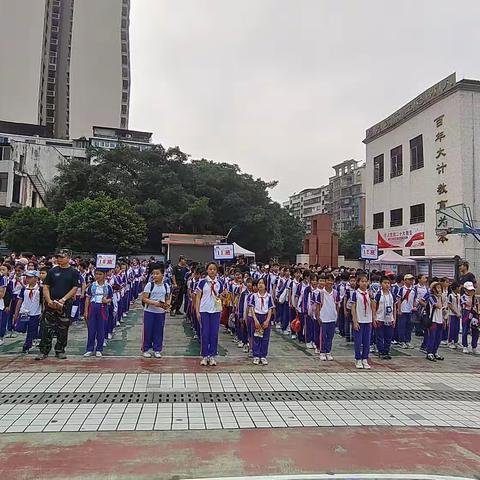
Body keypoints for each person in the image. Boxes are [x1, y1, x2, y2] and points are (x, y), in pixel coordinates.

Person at [36, 249, 81, 360]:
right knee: (47, 327)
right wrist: (49, 300)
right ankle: (44, 350)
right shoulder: (52, 271)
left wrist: (63, 299)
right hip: (51, 302)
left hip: (65, 303)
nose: (59, 259)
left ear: (68, 258)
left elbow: (75, 287)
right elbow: (46, 286)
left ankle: (60, 350)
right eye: (58, 257)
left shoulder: (73, 272)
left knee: (63, 328)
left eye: (62, 257)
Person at [196, 262, 224, 366]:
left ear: (217, 271)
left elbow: (221, 296)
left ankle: (212, 355)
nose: (212, 271)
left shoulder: (219, 283)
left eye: (214, 269)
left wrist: (222, 296)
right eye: (210, 269)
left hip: (215, 310)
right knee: (205, 333)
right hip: (204, 310)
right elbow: (198, 297)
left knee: (214, 333)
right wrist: (197, 310)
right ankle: (204, 355)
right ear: (207, 270)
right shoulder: (202, 282)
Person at [141, 263, 171, 358]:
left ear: (163, 274)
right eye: (153, 274)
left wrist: (167, 304)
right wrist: (155, 303)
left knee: (159, 331)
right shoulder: (150, 285)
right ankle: (146, 349)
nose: (155, 276)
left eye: (157, 273)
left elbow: (168, 298)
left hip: (160, 313)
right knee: (148, 330)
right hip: (149, 312)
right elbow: (144, 299)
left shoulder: (166, 286)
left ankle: (157, 349)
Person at [84, 269, 113, 357]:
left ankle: (99, 349)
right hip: (93, 307)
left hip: (103, 308)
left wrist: (106, 300)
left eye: (100, 274)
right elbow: (88, 298)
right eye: (96, 274)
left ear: (104, 275)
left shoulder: (108, 286)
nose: (97, 276)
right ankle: (89, 349)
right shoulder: (92, 286)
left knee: (101, 329)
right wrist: (85, 311)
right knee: (91, 329)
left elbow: (111, 298)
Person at [14, 270, 43, 354]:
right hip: (24, 312)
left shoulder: (40, 289)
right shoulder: (24, 289)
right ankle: (32, 339)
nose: (27, 279)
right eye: (27, 277)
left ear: (36, 278)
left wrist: (42, 312)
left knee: (32, 330)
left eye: (30, 277)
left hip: (35, 312)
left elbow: (43, 302)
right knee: (20, 328)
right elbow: (20, 300)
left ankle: (27, 345)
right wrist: (16, 312)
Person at [249, 277, 274, 365]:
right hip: (257, 316)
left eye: (262, 283)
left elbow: (270, 309)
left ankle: (263, 356)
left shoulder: (269, 296)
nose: (260, 285)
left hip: (265, 316)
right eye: (259, 283)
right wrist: (255, 320)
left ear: (265, 285)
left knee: (265, 338)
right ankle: (256, 355)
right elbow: (251, 308)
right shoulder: (254, 296)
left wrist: (267, 320)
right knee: (256, 336)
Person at [351, 274, 373, 369]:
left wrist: (372, 298)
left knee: (367, 341)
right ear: (358, 283)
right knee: (358, 341)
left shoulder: (370, 293)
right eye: (362, 281)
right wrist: (355, 321)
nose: (364, 283)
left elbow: (373, 307)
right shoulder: (355, 294)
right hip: (359, 320)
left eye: (366, 281)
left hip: (368, 320)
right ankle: (358, 359)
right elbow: (353, 308)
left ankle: (365, 358)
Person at [372, 276, 396, 360]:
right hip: (380, 318)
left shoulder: (392, 294)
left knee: (388, 336)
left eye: (388, 283)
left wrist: (394, 319)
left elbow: (394, 307)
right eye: (385, 283)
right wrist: (374, 318)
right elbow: (374, 307)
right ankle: (381, 351)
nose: (387, 285)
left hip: (389, 318)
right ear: (381, 284)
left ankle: (387, 351)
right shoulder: (378, 294)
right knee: (380, 336)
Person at [319, 273, 338, 361]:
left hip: (332, 317)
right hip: (323, 317)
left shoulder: (335, 293)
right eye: (328, 280)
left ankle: (328, 351)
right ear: (325, 281)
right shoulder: (321, 293)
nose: (330, 282)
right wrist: (318, 316)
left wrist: (336, 314)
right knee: (323, 336)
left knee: (330, 336)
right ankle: (322, 351)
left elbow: (337, 304)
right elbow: (318, 305)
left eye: (331, 280)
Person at [426, 282, 445, 362]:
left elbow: (443, 309)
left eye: (440, 288)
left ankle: (435, 351)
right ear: (433, 289)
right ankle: (429, 352)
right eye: (437, 288)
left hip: (440, 320)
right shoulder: (431, 297)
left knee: (438, 338)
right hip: (433, 320)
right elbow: (438, 306)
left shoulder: (441, 298)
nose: (439, 289)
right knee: (432, 337)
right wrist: (440, 297)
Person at [396, 274, 415, 349]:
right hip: (403, 310)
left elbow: (414, 299)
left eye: (412, 280)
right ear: (405, 280)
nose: (411, 281)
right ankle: (402, 341)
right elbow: (399, 299)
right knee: (402, 326)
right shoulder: (401, 289)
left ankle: (408, 341)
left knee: (409, 327)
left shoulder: (413, 290)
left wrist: (414, 307)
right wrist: (399, 309)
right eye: (409, 279)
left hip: (410, 310)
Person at [461, 281, 479, 355]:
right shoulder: (463, 297)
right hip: (466, 314)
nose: (471, 291)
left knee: (475, 330)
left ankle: (474, 346)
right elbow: (467, 304)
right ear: (465, 290)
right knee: (465, 330)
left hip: (474, 315)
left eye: (472, 290)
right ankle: (465, 346)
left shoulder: (475, 297)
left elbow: (477, 306)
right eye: (469, 290)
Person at [447, 281, 461, 349]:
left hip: (458, 314)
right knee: (452, 328)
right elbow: (450, 305)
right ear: (455, 288)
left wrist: (459, 313)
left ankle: (456, 341)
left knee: (457, 329)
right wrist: (456, 312)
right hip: (452, 314)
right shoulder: (451, 295)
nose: (459, 289)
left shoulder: (458, 295)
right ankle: (450, 341)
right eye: (458, 288)